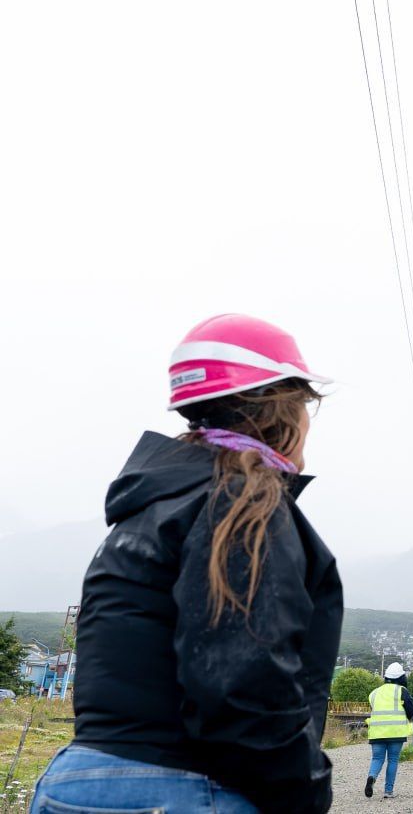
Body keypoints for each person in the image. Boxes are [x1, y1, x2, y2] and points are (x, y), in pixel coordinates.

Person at [30, 314, 341, 813]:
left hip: (75, 782)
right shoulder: (245, 505)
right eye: (306, 404)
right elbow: (242, 684)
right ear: (283, 409)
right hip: (184, 790)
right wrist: (305, 792)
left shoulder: (147, 508)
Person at [365, 662, 413, 800]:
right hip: (396, 732)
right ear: (400, 677)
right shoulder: (401, 691)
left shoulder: (374, 693)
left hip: (377, 732)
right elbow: (411, 710)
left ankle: (372, 777)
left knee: (377, 758)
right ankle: (388, 791)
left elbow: (374, 708)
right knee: (392, 760)